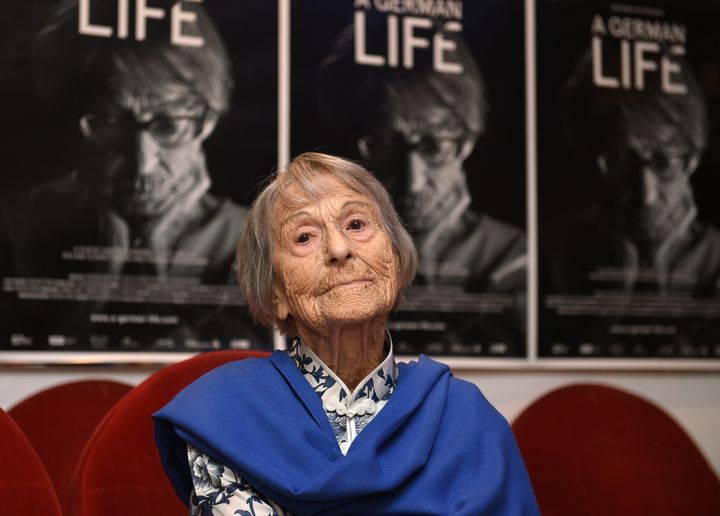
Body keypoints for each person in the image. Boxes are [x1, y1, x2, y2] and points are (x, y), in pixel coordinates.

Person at [154, 152, 539, 514]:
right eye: (304, 237)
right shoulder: (225, 413)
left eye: (356, 224)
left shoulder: (465, 417)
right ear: (277, 293)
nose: (339, 248)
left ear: (396, 259)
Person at [1, 0, 259, 348]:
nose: (142, 164)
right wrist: (98, 280)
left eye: (167, 125)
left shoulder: (249, 240)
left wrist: (151, 262)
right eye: (109, 123)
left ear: (207, 121)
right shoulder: (16, 223)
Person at [317, 25, 526, 292]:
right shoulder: (324, 248)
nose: (413, 182)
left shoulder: (510, 254)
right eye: (385, 144)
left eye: (434, 146)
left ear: (468, 142)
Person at [542, 49, 720, 352]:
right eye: (620, 161)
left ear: (693, 160)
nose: (647, 196)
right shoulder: (556, 251)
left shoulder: (715, 256)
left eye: (665, 162)